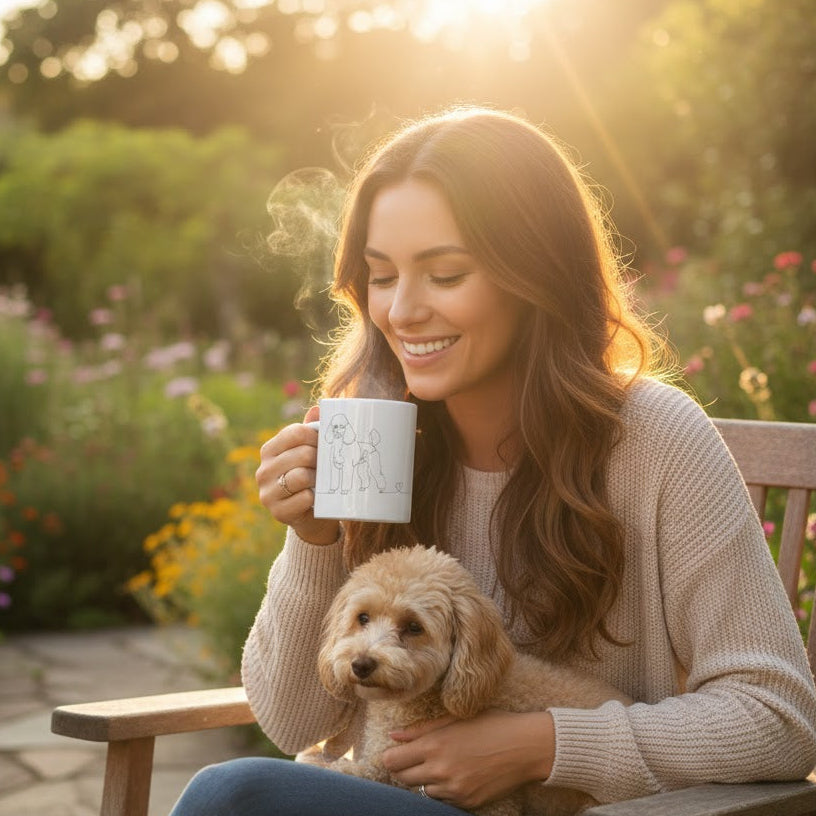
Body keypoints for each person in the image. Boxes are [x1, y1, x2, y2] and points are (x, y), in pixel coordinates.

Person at [169, 107, 816, 816]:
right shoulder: (379, 436)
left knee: (233, 795)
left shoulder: (654, 440)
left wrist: (542, 745)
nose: (402, 311)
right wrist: (314, 538)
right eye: (381, 276)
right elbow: (294, 723)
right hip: (399, 798)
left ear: (536, 276)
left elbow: (778, 719)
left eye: (445, 274)